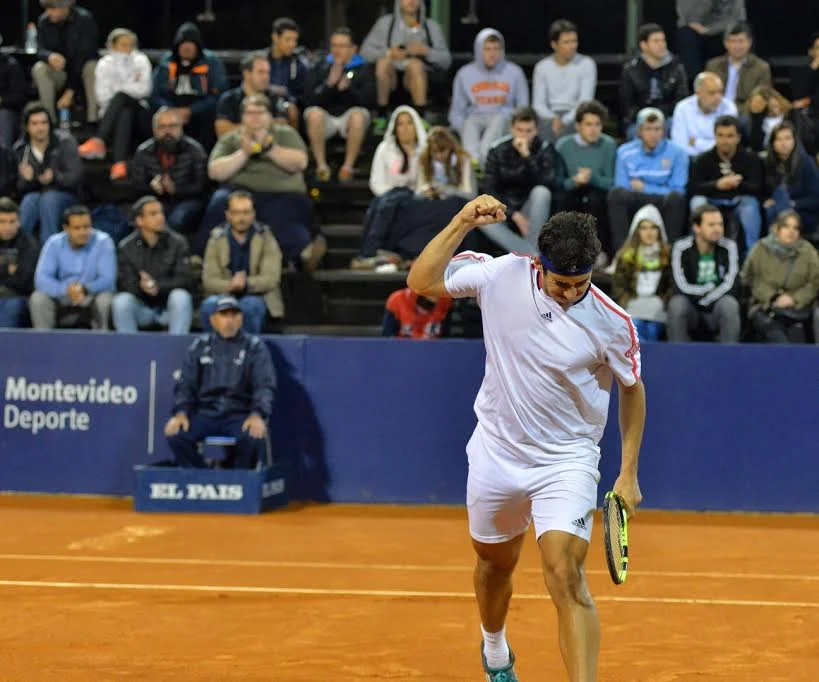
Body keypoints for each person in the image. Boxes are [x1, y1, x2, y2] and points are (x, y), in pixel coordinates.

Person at [406, 197, 645, 682]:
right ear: (539, 266)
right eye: (561, 283)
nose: (570, 293)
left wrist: (628, 472)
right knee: (495, 563)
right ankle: (495, 649)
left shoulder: (612, 322)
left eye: (581, 284)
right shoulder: (498, 275)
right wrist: (461, 223)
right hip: (497, 450)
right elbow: (421, 281)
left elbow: (632, 391)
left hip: (567, 459)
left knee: (565, 573)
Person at [200, 94, 321, 268]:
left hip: (282, 193)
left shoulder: (285, 133)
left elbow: (300, 162)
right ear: (242, 117)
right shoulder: (231, 138)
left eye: (260, 112)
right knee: (219, 203)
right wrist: (244, 153)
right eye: (249, 113)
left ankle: (304, 254)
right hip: (240, 192)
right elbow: (215, 171)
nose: (255, 117)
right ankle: (201, 256)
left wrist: (270, 149)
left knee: (286, 214)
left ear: (270, 116)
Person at [164, 294, 276, 470]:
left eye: (234, 315)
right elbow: (186, 384)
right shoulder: (199, 346)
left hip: (240, 413)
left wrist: (257, 414)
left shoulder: (254, 347)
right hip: (205, 412)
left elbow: (264, 386)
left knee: (253, 436)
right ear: (213, 320)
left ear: (241, 319)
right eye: (224, 315)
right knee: (175, 434)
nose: (229, 320)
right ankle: (203, 479)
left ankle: (239, 482)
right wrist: (181, 412)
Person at [481, 106, 566, 254]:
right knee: (482, 218)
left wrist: (527, 157)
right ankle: (533, 255)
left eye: (529, 131)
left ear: (536, 130)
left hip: (534, 210)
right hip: (505, 210)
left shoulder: (545, 148)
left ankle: (530, 255)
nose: (524, 135)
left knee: (541, 192)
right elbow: (489, 189)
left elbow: (547, 182)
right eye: (520, 130)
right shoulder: (497, 150)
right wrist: (513, 214)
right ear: (512, 129)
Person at [201, 190, 283, 334]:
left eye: (246, 212)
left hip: (257, 296)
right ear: (228, 215)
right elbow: (209, 280)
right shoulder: (216, 239)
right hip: (223, 294)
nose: (241, 218)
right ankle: (213, 352)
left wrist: (245, 284)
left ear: (253, 214)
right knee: (209, 306)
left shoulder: (266, 238)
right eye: (236, 212)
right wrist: (230, 286)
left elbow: (271, 278)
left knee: (249, 307)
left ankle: (247, 353)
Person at [608, 107, 689, 251]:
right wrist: (657, 187)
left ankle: (670, 254)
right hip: (635, 197)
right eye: (648, 129)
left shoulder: (678, 153)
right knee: (616, 195)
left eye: (657, 129)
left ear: (664, 131)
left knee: (676, 199)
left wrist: (644, 187)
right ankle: (621, 254)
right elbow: (621, 185)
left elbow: (678, 188)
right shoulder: (625, 152)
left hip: (662, 200)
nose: (653, 134)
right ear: (639, 131)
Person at [360, 0, 452, 126]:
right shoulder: (385, 24)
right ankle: (381, 115)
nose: (411, 1)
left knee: (415, 65)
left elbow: (446, 60)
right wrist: (389, 53)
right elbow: (364, 53)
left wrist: (426, 51)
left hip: (419, 77)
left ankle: (420, 117)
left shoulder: (431, 26)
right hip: (390, 79)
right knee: (383, 63)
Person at [78, 28, 153, 181]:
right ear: (112, 46)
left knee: (121, 98)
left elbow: (145, 90)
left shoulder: (141, 60)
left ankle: (99, 140)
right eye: (123, 45)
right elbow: (102, 96)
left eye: (131, 45)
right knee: (124, 110)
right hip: (114, 112)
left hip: (140, 111)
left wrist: (119, 89)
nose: (128, 49)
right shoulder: (104, 64)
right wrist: (132, 85)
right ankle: (119, 164)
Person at [112, 196, 193, 335]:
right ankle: (128, 352)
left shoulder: (178, 243)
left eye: (161, 212)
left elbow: (184, 280)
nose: (160, 217)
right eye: (153, 214)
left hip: (169, 308)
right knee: (121, 302)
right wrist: (143, 287)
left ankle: (178, 350)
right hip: (142, 309)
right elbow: (126, 284)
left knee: (181, 297)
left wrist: (157, 287)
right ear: (140, 220)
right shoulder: (126, 247)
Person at [448, 28, 529, 166]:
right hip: (475, 118)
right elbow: (456, 112)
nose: (492, 54)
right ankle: (472, 164)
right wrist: (464, 130)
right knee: (469, 124)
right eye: (487, 49)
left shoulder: (515, 72)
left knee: (497, 123)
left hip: (504, 118)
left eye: (496, 49)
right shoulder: (464, 74)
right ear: (479, 50)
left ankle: (485, 159)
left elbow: (523, 107)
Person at [303, 28, 375, 182]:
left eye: (342, 46)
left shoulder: (363, 69)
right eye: (334, 45)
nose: (337, 50)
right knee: (313, 114)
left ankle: (347, 168)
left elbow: (368, 102)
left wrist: (349, 90)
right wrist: (329, 85)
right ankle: (321, 167)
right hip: (326, 119)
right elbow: (309, 100)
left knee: (358, 115)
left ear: (353, 49)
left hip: (349, 121)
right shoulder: (320, 67)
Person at [29, 204, 115, 330]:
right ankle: (44, 344)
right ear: (66, 228)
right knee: (38, 299)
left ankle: (103, 344)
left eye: (87, 227)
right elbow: (42, 279)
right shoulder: (54, 243)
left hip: (91, 294)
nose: (83, 232)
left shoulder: (103, 241)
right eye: (77, 228)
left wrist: (84, 289)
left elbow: (108, 279)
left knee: (105, 299)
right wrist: (66, 290)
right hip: (62, 295)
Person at [741, 209, 819, 343]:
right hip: (765, 307)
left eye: (795, 228)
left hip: (800, 308)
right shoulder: (760, 249)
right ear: (776, 229)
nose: (791, 231)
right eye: (786, 226)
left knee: (798, 333)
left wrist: (794, 298)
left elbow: (814, 282)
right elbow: (750, 279)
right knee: (777, 335)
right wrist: (773, 297)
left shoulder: (808, 251)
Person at [688, 114, 763, 252]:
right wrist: (717, 185)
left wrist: (738, 184)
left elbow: (758, 187)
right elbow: (693, 187)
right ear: (715, 136)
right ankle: (696, 251)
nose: (724, 140)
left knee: (751, 206)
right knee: (697, 202)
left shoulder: (750, 158)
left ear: (738, 137)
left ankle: (751, 255)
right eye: (720, 135)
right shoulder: (703, 159)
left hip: (739, 200)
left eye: (730, 136)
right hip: (711, 202)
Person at [667, 203, 741, 343]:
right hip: (691, 309)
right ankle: (678, 359)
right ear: (697, 227)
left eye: (720, 224)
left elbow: (731, 284)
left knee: (730, 305)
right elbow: (680, 286)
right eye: (711, 225)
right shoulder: (681, 248)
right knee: (677, 305)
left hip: (716, 309)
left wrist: (707, 299)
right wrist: (706, 290)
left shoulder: (729, 247)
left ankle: (730, 360)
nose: (718, 229)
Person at [129, 107, 208, 236]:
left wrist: (176, 189)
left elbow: (202, 187)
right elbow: (137, 185)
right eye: (162, 127)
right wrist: (152, 187)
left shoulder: (195, 151)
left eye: (172, 126)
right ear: (154, 130)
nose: (167, 131)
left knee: (176, 218)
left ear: (181, 127)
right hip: (155, 200)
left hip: (186, 200)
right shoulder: (143, 152)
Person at [151, 22, 228, 150]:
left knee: (210, 117)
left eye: (191, 43)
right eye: (183, 43)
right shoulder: (166, 62)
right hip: (171, 107)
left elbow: (218, 94)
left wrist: (191, 110)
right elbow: (155, 94)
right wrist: (171, 110)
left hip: (200, 109)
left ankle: (204, 159)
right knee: (149, 115)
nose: (187, 47)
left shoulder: (211, 62)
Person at [13, 102, 83, 243]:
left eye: (44, 123)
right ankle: (19, 250)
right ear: (27, 127)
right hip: (37, 196)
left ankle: (49, 251)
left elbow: (75, 178)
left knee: (48, 200)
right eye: (35, 123)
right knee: (28, 201)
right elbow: (19, 188)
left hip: (66, 196)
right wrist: (29, 179)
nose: (40, 128)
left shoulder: (65, 142)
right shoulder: (21, 149)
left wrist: (55, 177)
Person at [556, 101, 617, 257]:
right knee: (562, 199)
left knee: (597, 200)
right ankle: (563, 251)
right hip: (571, 190)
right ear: (578, 126)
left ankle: (598, 252)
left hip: (597, 192)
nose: (593, 129)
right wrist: (574, 181)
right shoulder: (563, 145)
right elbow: (557, 181)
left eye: (597, 124)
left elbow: (610, 182)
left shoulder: (609, 145)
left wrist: (592, 178)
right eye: (588, 124)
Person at [31, 0, 99, 124]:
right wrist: (49, 56)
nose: (48, 12)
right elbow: (39, 49)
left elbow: (84, 56)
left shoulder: (84, 20)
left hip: (81, 71)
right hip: (60, 72)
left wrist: (70, 91)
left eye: (53, 9)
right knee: (40, 68)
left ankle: (93, 122)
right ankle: (49, 121)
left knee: (92, 67)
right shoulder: (44, 21)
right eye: (47, 8)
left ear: (65, 7)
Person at [612, 205, 672, 342]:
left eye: (653, 227)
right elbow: (619, 286)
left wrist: (663, 301)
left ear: (659, 230)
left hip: (658, 308)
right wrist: (626, 302)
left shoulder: (669, 255)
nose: (649, 232)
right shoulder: (625, 256)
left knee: (652, 330)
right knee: (636, 330)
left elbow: (670, 286)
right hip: (632, 307)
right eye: (644, 228)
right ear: (636, 231)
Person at [532, 20, 597, 142]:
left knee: (577, 125)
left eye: (574, 41)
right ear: (554, 44)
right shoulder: (542, 67)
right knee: (541, 129)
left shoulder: (586, 64)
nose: (572, 46)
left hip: (576, 114)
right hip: (550, 116)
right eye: (566, 42)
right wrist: (553, 118)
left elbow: (585, 100)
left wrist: (565, 120)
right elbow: (538, 104)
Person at [620, 23, 689, 138]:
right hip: (639, 120)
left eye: (663, 41)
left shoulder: (676, 68)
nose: (662, 45)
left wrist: (660, 116)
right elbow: (626, 104)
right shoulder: (631, 70)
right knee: (637, 133)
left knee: (675, 129)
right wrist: (645, 118)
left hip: (668, 119)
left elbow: (680, 100)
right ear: (644, 45)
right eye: (656, 41)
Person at [762, 121, 819, 235]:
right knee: (774, 204)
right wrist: (764, 200)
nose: (784, 143)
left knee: (780, 197)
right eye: (779, 139)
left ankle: (775, 242)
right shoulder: (766, 163)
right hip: (775, 211)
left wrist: (792, 204)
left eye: (787, 138)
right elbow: (761, 190)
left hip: (803, 213)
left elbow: (815, 198)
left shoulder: (806, 163)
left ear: (794, 141)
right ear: (772, 143)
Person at [215, 52, 288, 140]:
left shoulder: (274, 97)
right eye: (261, 72)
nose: (266, 77)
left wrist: (247, 127)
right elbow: (222, 131)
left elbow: (282, 125)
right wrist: (260, 126)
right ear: (247, 74)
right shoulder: (229, 99)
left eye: (268, 72)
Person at [704, 22, 771, 115]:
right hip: (715, 109)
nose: (737, 46)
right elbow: (705, 93)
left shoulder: (761, 67)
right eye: (733, 41)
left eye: (741, 41)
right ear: (725, 43)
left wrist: (734, 111)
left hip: (745, 114)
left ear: (749, 42)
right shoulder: (713, 65)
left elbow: (762, 97)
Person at [675, 0, 746, 83]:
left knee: (739, 34)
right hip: (696, 33)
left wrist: (709, 30)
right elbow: (685, 20)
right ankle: (696, 84)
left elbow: (739, 19)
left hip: (722, 32)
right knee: (685, 35)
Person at [671, 71, 738, 157]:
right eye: (712, 93)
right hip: (689, 159)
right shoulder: (682, 108)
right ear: (698, 93)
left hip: (719, 158)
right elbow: (679, 145)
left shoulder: (728, 107)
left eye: (720, 92)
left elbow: (726, 144)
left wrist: (696, 142)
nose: (718, 97)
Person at [0, 198, 39, 328]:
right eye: (2, 222)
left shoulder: (29, 245)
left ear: (19, 222)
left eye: (12, 222)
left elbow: (24, 282)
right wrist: (7, 270)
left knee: (11, 306)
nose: (8, 227)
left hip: (17, 297)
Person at [267, 17, 308, 129]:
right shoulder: (262, 60)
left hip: (288, 105)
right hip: (264, 101)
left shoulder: (299, 63)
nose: (292, 45)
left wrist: (289, 98)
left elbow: (302, 93)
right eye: (288, 40)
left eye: (295, 40)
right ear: (275, 38)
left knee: (291, 110)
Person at [382, 287, 452, 339]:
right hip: (403, 351)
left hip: (433, 352)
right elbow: (388, 338)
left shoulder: (446, 302)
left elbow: (445, 339)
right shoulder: (397, 299)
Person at [0, 41, 27, 150]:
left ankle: (4, 160)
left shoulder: (10, 65)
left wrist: (1, 100)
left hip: (6, 111)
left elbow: (19, 97)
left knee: (4, 116)